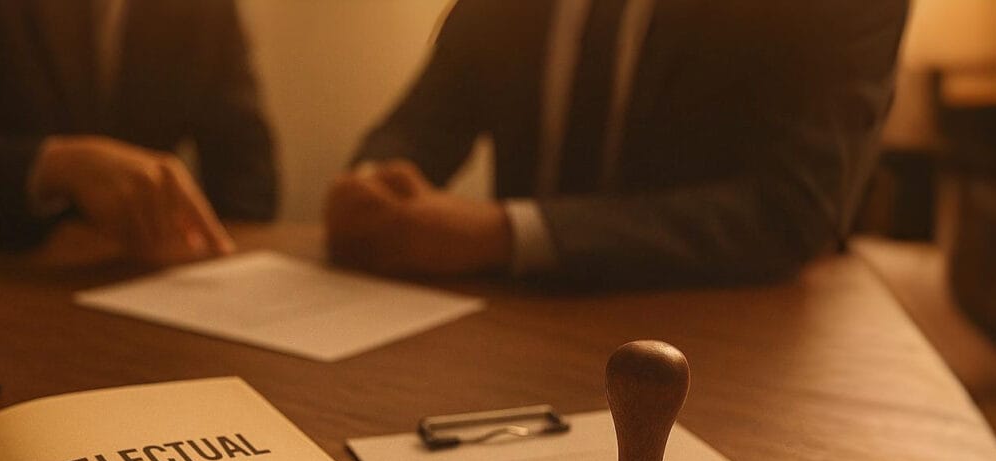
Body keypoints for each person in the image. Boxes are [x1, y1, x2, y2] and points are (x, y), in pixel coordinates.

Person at [328, 0, 910, 287]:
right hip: (513, 331)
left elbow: (792, 211)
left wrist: (503, 233)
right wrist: (375, 184)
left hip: (729, 350)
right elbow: (427, 117)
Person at [0, 0, 278, 265]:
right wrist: (55, 166)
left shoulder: (205, 10)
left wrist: (178, 238)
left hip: (150, 300)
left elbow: (250, 184)